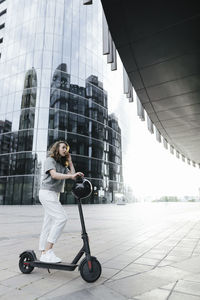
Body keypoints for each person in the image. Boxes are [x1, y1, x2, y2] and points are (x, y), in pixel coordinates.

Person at [38, 140, 84, 263]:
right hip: (46, 193)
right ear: (57, 148)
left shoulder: (62, 165)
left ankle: (43, 253)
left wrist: (70, 162)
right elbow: (54, 175)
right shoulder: (50, 160)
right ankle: (48, 250)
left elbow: (73, 175)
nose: (65, 150)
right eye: (63, 147)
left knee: (47, 223)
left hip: (54, 194)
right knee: (62, 218)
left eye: (67, 148)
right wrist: (70, 176)